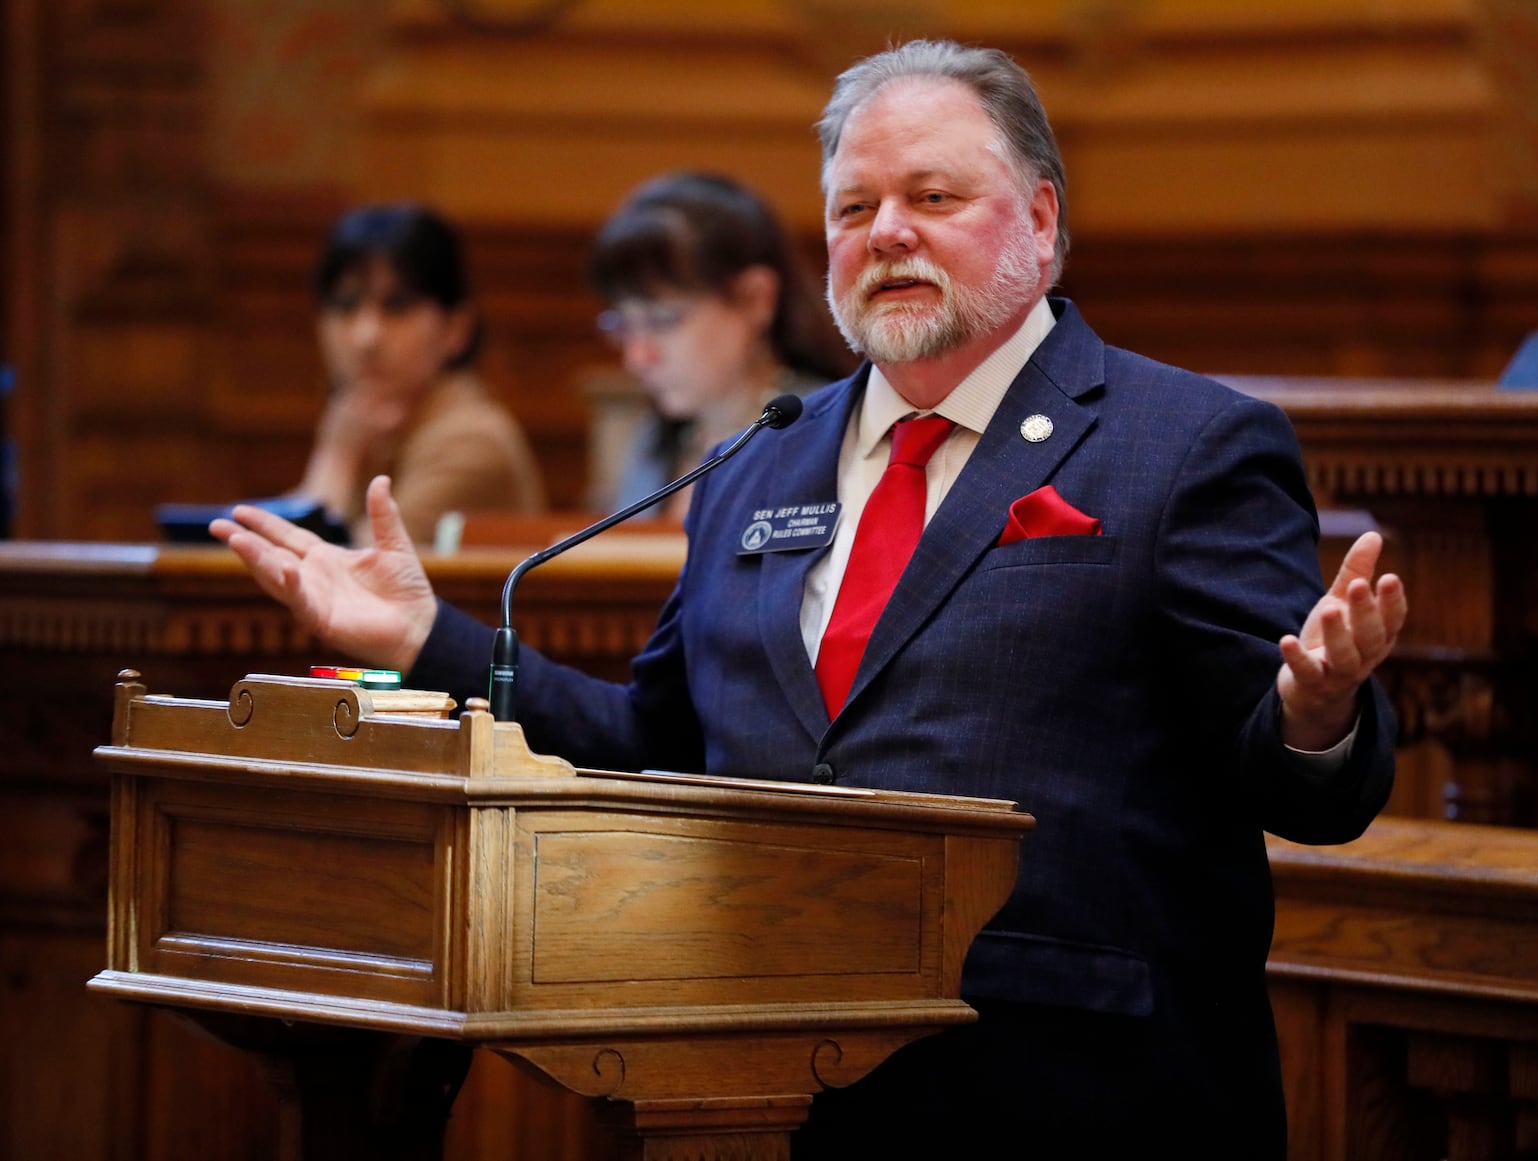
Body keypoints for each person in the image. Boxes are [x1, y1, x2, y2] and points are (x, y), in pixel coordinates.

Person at [211, 39, 1407, 1159]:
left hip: (1070, 1089)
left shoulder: (1183, 444)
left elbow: (1299, 789)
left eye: (932, 198)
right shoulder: (756, 461)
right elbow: (656, 750)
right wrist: (425, 639)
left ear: (1041, 220)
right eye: (851, 208)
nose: (885, 231)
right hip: (761, 1091)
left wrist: (1316, 714)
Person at [589, 171, 856, 519]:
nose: (637, 357)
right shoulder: (652, 441)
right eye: (623, 324)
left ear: (755, 297)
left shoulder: (828, 432)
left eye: (663, 320)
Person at [288, 202, 545, 546]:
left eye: (397, 305)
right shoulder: (371, 425)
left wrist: (336, 461)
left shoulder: (472, 441)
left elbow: (350, 579)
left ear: (456, 328)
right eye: (345, 305)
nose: (366, 336)